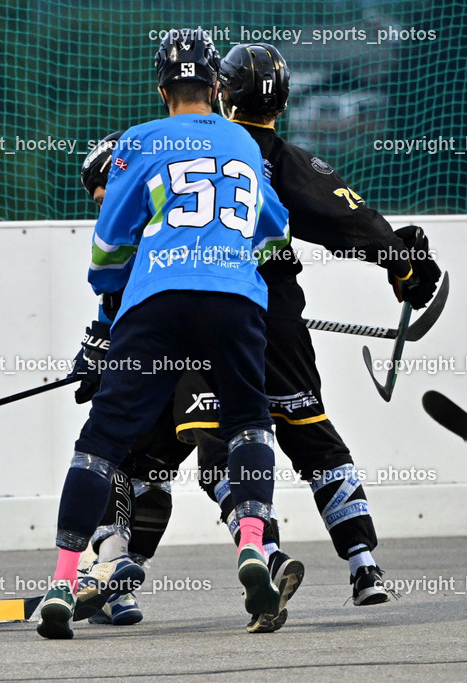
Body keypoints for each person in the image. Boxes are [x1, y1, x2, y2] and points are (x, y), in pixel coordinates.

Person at [37, 27, 291, 640]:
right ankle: (253, 548)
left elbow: (108, 245)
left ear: (162, 89)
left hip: (156, 301)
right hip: (234, 301)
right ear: (215, 87)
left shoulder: (140, 140)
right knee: (248, 423)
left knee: (103, 439)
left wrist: (111, 297)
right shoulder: (244, 143)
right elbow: (275, 231)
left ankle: (65, 581)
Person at [213, 41, 440, 606]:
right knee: (310, 434)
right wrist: (401, 259)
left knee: (217, 445)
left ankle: (262, 554)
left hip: (204, 316)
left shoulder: (194, 151)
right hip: (275, 315)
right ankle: (363, 564)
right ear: (284, 102)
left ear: (223, 93)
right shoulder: (284, 157)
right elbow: (345, 214)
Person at [77, 132, 303, 634]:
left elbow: (116, 295)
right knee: (189, 467)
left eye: (103, 198)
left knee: (116, 454)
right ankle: (261, 554)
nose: (102, 208)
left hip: (168, 366)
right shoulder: (184, 195)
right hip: (215, 345)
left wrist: (96, 351)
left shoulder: (138, 220)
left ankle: (111, 568)